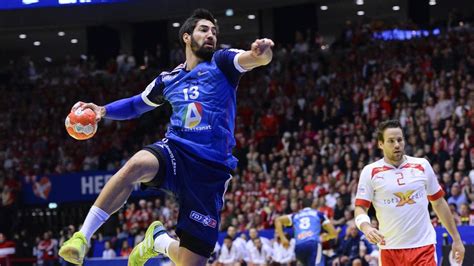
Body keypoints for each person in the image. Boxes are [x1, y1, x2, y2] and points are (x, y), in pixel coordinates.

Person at [58, 8, 274, 266]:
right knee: (136, 165)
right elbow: (137, 104)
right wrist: (103, 110)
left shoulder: (224, 62)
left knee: (188, 262)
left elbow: (254, 59)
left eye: (214, 31)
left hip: (211, 172)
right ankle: (82, 237)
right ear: (186, 37)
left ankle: (157, 240)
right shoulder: (169, 80)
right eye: (204, 29)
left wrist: (262, 54)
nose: (211, 35)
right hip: (177, 151)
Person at [354, 120, 465, 265]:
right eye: (391, 141)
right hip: (389, 249)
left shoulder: (422, 165)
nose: (397, 145)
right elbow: (360, 207)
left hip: (423, 247)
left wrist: (456, 239)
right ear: (380, 144)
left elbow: (438, 202)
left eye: (400, 140)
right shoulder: (370, 171)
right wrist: (366, 227)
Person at [274, 199, 338, 266]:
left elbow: (278, 220)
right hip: (313, 244)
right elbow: (334, 233)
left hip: (299, 246)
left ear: (301, 206)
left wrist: (283, 238)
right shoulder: (318, 214)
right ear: (313, 205)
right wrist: (326, 237)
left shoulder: (295, 216)